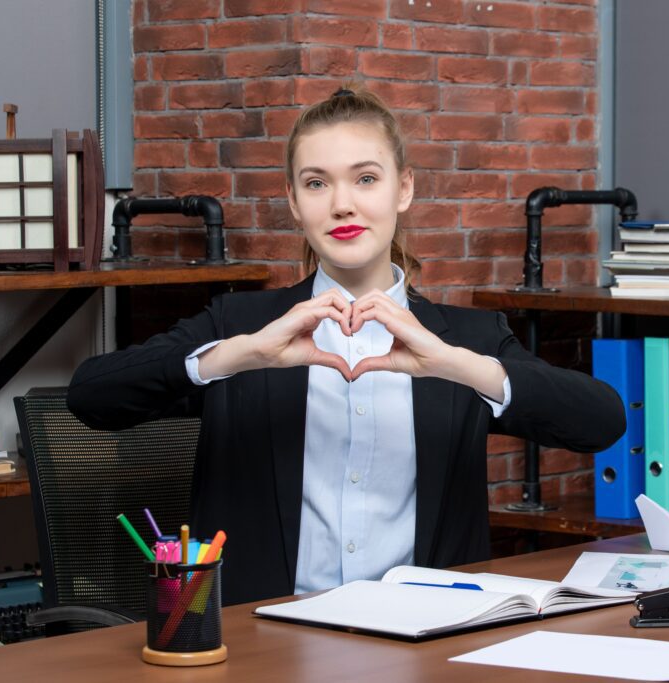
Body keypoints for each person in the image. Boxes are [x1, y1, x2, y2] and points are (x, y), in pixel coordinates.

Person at [68, 84, 626, 606]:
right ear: (292, 200)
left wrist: (457, 366)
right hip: (264, 642)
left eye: (365, 179)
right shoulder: (242, 323)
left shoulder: (467, 340)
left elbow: (602, 422)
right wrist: (241, 355)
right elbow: (90, 396)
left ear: (403, 188)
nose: (342, 205)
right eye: (316, 183)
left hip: (425, 639)